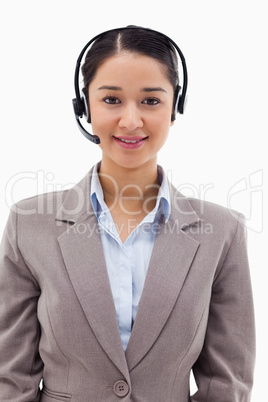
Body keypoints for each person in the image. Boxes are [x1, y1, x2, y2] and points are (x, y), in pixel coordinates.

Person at [0, 26, 255, 401]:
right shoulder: (29, 223)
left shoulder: (222, 232)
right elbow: (10, 378)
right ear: (84, 106)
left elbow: (227, 381)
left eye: (151, 101)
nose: (131, 121)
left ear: (175, 107)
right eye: (112, 100)